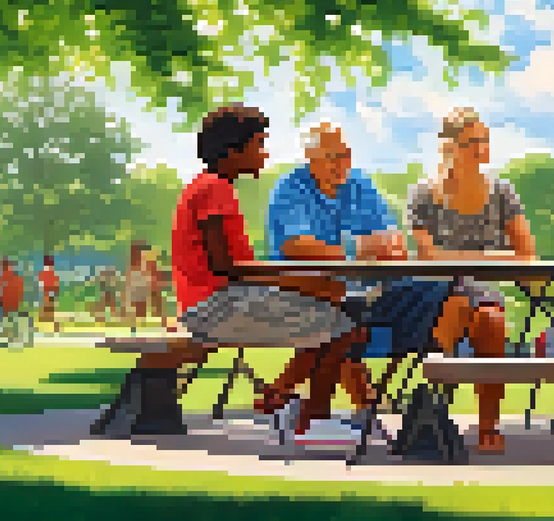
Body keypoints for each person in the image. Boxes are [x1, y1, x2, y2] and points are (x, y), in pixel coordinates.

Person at [99, 104, 362, 440]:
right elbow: (226, 267)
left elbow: (234, 267)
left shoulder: (206, 186)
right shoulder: (215, 189)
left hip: (213, 303)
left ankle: (284, 402)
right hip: (218, 307)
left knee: (338, 315)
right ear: (234, 149)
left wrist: (302, 284)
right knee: (343, 328)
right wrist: (297, 282)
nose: (264, 154)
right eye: (259, 144)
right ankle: (309, 419)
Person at [257, 121, 407, 445]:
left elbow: (394, 242)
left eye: (346, 155)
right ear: (310, 156)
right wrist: (360, 248)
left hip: (357, 289)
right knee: (343, 318)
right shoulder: (291, 188)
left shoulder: (360, 184)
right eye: (332, 156)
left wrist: (377, 248)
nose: (341, 164)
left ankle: (281, 396)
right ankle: (328, 411)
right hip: (297, 291)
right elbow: (297, 247)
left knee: (352, 314)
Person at [403, 107, 539, 453]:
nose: (482, 148)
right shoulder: (423, 194)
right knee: (457, 301)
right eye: (472, 142)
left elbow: (526, 256)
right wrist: (493, 257)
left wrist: (462, 261)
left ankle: (486, 424)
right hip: (436, 291)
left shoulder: (501, 193)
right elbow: (428, 259)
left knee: (491, 319)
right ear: (449, 146)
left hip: (482, 292)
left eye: (484, 140)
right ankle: (435, 412)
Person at [126, 242, 152, 330]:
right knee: (137, 304)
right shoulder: (137, 261)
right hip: (137, 280)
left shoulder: (142, 261)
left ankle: (137, 325)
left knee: (140, 305)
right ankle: (135, 325)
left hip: (139, 280)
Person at [0, 257, 25, 342]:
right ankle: (12, 334)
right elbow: (20, 295)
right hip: (12, 306)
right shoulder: (17, 279)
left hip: (3, 307)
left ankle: (8, 333)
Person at [38, 255, 60, 332]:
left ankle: (47, 321)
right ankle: (49, 321)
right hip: (49, 291)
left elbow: (41, 283)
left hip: (47, 291)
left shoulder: (44, 272)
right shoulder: (52, 272)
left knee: (47, 306)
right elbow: (56, 283)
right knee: (49, 306)